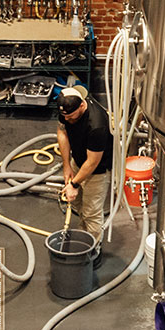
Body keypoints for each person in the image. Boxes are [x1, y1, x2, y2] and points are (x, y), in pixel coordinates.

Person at [56, 86, 113, 241]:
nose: (67, 120)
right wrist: (67, 165)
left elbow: (93, 162)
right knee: (78, 203)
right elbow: (62, 131)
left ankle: (93, 249)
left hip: (97, 170)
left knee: (91, 213)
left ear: (82, 105)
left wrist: (74, 184)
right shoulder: (68, 108)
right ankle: (84, 233)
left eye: (71, 117)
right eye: (65, 117)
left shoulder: (97, 125)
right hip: (79, 160)